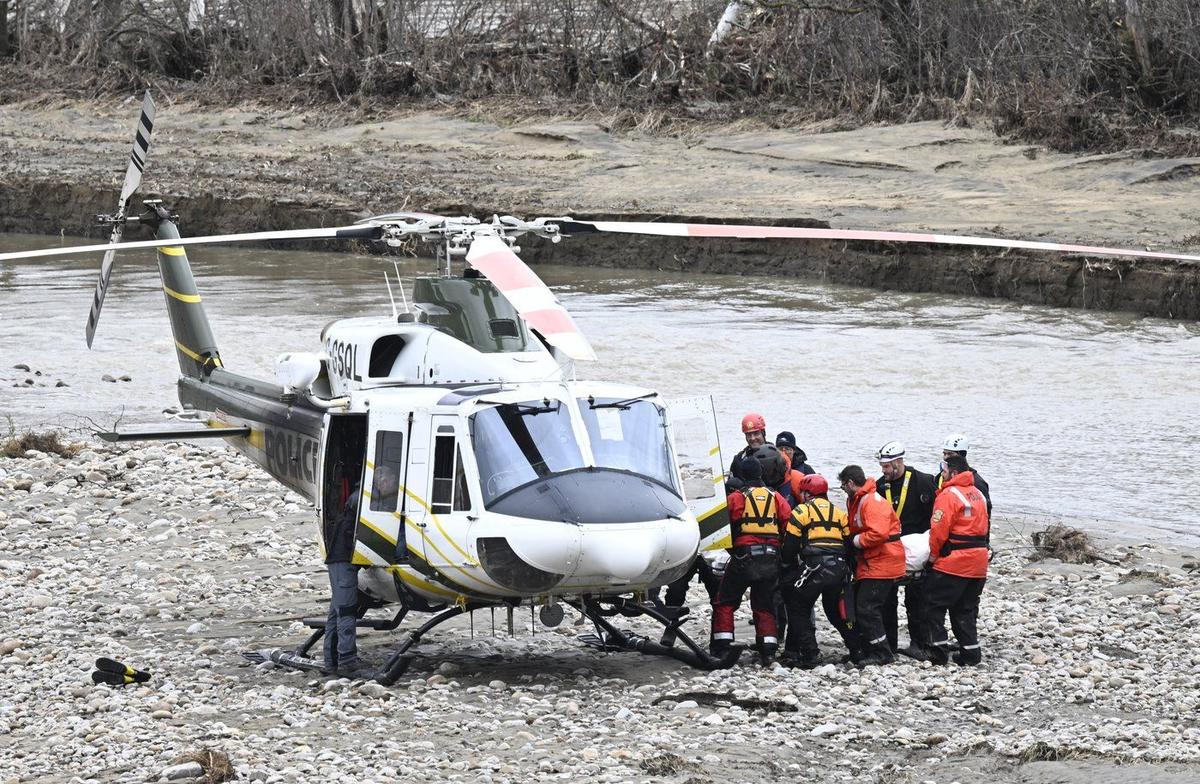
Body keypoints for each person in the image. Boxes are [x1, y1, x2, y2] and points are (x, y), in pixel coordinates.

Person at [711, 456, 792, 665]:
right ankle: (768, 651)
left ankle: (722, 647)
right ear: (761, 473)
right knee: (765, 605)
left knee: (725, 602)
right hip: (770, 559)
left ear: (741, 476)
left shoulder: (736, 498)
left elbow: (722, 528)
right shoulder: (776, 497)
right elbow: (789, 526)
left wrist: (733, 551)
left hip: (744, 557)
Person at [322, 465, 397, 679]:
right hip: (343, 558)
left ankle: (331, 662)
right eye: (391, 482)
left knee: (337, 610)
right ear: (381, 481)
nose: (392, 487)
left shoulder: (363, 495)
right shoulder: (363, 500)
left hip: (343, 558)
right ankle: (347, 662)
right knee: (346, 610)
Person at [779, 473, 856, 668]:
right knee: (835, 611)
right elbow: (849, 544)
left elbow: (789, 547)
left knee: (798, 607)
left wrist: (787, 567)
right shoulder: (839, 513)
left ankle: (810, 654)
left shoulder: (801, 511)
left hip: (814, 567)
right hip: (838, 567)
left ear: (807, 494)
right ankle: (857, 649)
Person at [874, 441, 938, 658]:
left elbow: (937, 516)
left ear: (899, 462)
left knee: (917, 598)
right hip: (890, 551)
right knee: (886, 599)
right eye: (882, 466)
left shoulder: (924, 481)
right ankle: (890, 645)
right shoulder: (880, 487)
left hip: (918, 551)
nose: (883, 471)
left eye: (887, 466)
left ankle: (920, 644)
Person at [925, 454, 990, 665]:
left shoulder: (948, 495)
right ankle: (971, 653)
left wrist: (932, 558)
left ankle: (937, 651)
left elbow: (938, 531)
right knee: (965, 608)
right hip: (979, 562)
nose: (941, 476)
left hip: (955, 561)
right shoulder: (978, 493)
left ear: (953, 473)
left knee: (931, 603)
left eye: (944, 472)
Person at [838, 464, 905, 666]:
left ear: (850, 483)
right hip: (872, 562)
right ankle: (872, 648)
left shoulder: (871, 502)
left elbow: (878, 533)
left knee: (866, 608)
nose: (843, 490)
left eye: (843, 486)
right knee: (871, 607)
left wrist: (855, 541)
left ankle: (882, 652)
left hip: (882, 562)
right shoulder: (860, 500)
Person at [940, 434, 992, 517]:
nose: (946, 458)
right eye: (944, 454)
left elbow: (985, 513)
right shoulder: (941, 476)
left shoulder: (978, 483)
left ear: (962, 454)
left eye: (950, 454)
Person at [726, 412, 768, 492]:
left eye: (756, 433)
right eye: (749, 435)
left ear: (763, 433)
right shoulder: (739, 459)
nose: (752, 438)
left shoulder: (776, 455)